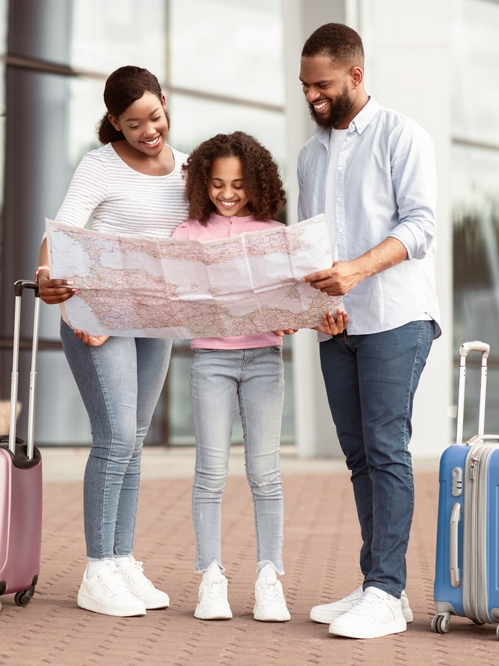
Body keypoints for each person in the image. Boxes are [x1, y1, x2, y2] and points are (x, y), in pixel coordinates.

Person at [296, 23, 442, 639]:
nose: (312, 96)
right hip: (338, 326)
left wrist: (355, 270)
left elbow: (421, 226)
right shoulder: (309, 154)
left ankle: (387, 589)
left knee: (386, 450)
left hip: (396, 318)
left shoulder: (402, 135)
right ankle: (377, 585)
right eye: (305, 86)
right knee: (358, 457)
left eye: (322, 84)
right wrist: (320, 304)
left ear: (356, 74)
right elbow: (310, 243)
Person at [36, 65, 189, 618]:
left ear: (165, 104)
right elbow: (63, 232)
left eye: (155, 117)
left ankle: (123, 559)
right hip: (98, 315)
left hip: (156, 320)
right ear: (113, 123)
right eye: (133, 124)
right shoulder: (99, 165)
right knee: (116, 434)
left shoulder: (188, 168)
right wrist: (49, 275)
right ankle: (97, 570)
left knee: (136, 438)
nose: (149, 131)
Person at [172, 132, 295, 623]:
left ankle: (269, 578)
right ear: (204, 182)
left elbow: (291, 300)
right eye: (219, 183)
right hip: (211, 363)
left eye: (239, 185)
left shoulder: (275, 233)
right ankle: (211, 580)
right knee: (211, 473)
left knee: (265, 475)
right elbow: (174, 298)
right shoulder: (186, 235)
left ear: (257, 184)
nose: (228, 194)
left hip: (264, 360)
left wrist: (288, 312)